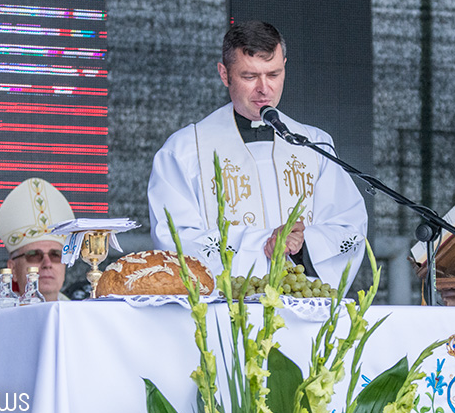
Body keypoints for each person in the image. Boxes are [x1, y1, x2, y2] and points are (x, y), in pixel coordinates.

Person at [148, 20, 368, 289]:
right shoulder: (183, 151)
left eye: (273, 74)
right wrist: (264, 243)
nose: (264, 89)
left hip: (302, 310)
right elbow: (173, 239)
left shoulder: (315, 145)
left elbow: (349, 227)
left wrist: (302, 245)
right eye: (250, 77)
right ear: (224, 74)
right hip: (224, 313)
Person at [0, 178, 75, 301]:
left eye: (56, 255)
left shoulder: (78, 314)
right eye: (34, 255)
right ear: (13, 269)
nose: (47, 264)